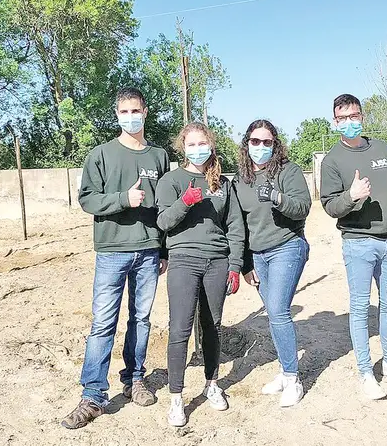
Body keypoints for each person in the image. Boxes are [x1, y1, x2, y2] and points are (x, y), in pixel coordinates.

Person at [62, 87, 170, 429]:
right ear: (117, 115)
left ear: (145, 112)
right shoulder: (101, 155)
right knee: (103, 323)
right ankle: (93, 395)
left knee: (141, 319)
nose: (130, 117)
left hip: (150, 250)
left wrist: (164, 249)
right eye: (124, 112)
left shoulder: (159, 156)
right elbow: (88, 200)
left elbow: (167, 207)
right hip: (112, 252)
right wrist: (124, 198)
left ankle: (134, 379)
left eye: (135, 110)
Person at [320, 93, 387, 401]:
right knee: (361, 308)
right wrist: (352, 196)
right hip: (357, 242)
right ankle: (365, 372)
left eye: (354, 116)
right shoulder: (333, 160)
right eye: (342, 118)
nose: (349, 123)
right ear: (335, 122)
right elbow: (330, 206)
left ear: (362, 116)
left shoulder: (384, 149)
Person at [155, 122, 245, 427]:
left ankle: (211, 384)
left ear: (211, 145)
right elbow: (164, 221)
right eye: (191, 144)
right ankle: (176, 398)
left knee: (212, 325)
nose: (197, 149)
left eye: (202, 143)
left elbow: (235, 227)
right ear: (183, 147)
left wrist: (235, 265)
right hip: (183, 261)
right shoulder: (172, 180)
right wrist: (185, 202)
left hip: (217, 263)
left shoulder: (222, 184)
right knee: (180, 328)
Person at [232, 119, 312, 408]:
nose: (261, 147)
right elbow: (238, 224)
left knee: (277, 311)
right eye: (256, 141)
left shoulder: (287, 172)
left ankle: (292, 379)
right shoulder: (240, 180)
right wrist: (244, 265)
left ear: (275, 145)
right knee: (274, 314)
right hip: (257, 255)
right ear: (247, 144)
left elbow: (303, 207)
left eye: (268, 142)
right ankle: (284, 369)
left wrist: (278, 197)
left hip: (287, 246)